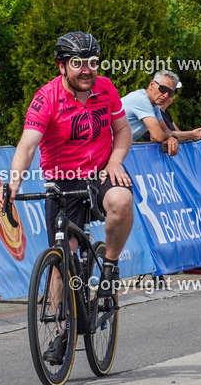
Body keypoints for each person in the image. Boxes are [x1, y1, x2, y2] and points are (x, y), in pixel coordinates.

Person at [7, 31, 134, 364]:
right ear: (62, 65)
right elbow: (28, 144)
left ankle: (109, 267)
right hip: (62, 183)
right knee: (63, 261)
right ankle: (63, 332)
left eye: (92, 62)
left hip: (101, 172)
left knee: (121, 202)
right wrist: (13, 185)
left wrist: (115, 161)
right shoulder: (46, 98)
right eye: (78, 64)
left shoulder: (106, 89)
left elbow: (122, 130)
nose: (86, 70)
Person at [121, 70, 201, 154]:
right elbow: (158, 136)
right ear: (152, 84)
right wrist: (172, 136)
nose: (166, 95)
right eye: (163, 89)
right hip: (110, 147)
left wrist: (173, 136)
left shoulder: (154, 106)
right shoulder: (141, 99)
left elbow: (166, 130)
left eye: (171, 93)